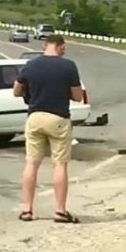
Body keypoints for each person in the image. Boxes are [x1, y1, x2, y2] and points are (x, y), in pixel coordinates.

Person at [13, 34, 84, 223]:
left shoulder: (30, 65)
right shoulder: (68, 66)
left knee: (31, 163)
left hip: (35, 117)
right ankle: (60, 211)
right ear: (61, 47)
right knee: (59, 164)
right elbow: (78, 97)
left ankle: (27, 210)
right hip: (58, 118)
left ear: (44, 46)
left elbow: (16, 90)